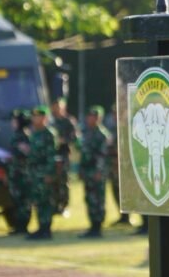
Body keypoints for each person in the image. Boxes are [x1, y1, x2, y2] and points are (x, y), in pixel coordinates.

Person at [78, 105, 111, 238]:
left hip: (97, 172)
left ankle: (98, 227)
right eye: (90, 116)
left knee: (98, 199)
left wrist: (99, 171)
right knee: (89, 198)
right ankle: (92, 225)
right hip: (87, 171)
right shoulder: (86, 133)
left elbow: (103, 155)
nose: (92, 119)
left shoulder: (102, 135)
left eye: (95, 116)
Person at [26, 105, 58, 240]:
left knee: (46, 201)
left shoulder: (49, 134)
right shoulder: (34, 134)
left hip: (44, 174)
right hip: (35, 174)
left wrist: (49, 174)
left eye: (37, 116)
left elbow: (51, 157)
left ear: (44, 118)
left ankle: (46, 229)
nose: (34, 119)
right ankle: (41, 227)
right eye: (33, 116)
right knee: (38, 201)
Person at [51, 97, 78, 216]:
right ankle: (55, 205)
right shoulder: (50, 121)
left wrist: (63, 140)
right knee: (53, 181)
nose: (57, 109)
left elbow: (74, 137)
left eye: (59, 106)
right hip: (51, 155)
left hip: (64, 154)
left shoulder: (68, 121)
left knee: (63, 180)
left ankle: (64, 205)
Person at [7, 109, 32, 235]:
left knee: (23, 201)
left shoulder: (23, 136)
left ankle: (23, 226)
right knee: (18, 200)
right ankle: (18, 226)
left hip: (23, 174)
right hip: (16, 173)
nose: (12, 122)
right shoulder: (17, 136)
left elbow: (27, 154)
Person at [104, 103, 129, 225]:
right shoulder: (112, 129)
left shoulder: (128, 128)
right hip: (114, 166)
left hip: (126, 167)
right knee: (116, 191)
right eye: (114, 113)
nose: (115, 116)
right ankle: (124, 217)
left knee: (129, 192)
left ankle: (142, 222)